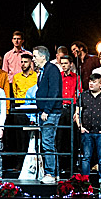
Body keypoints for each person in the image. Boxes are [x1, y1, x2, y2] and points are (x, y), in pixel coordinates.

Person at [74, 70, 101, 188]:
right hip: (86, 131)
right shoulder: (83, 96)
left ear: (100, 83)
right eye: (90, 82)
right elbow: (77, 112)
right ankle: (85, 181)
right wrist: (80, 126)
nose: (91, 84)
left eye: (94, 82)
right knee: (86, 157)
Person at [34, 46, 63, 183]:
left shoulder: (52, 70)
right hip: (44, 112)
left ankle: (50, 173)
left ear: (43, 57)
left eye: (35, 56)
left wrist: (47, 110)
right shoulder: (44, 70)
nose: (33, 59)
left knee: (47, 142)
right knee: (48, 142)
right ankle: (54, 173)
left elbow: (54, 91)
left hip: (50, 113)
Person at [59, 55, 82, 165]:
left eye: (65, 63)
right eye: (62, 63)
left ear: (71, 64)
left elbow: (79, 94)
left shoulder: (76, 77)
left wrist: (77, 111)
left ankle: (71, 164)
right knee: (60, 136)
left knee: (71, 137)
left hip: (72, 108)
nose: (63, 65)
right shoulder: (59, 76)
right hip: (61, 108)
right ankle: (60, 164)